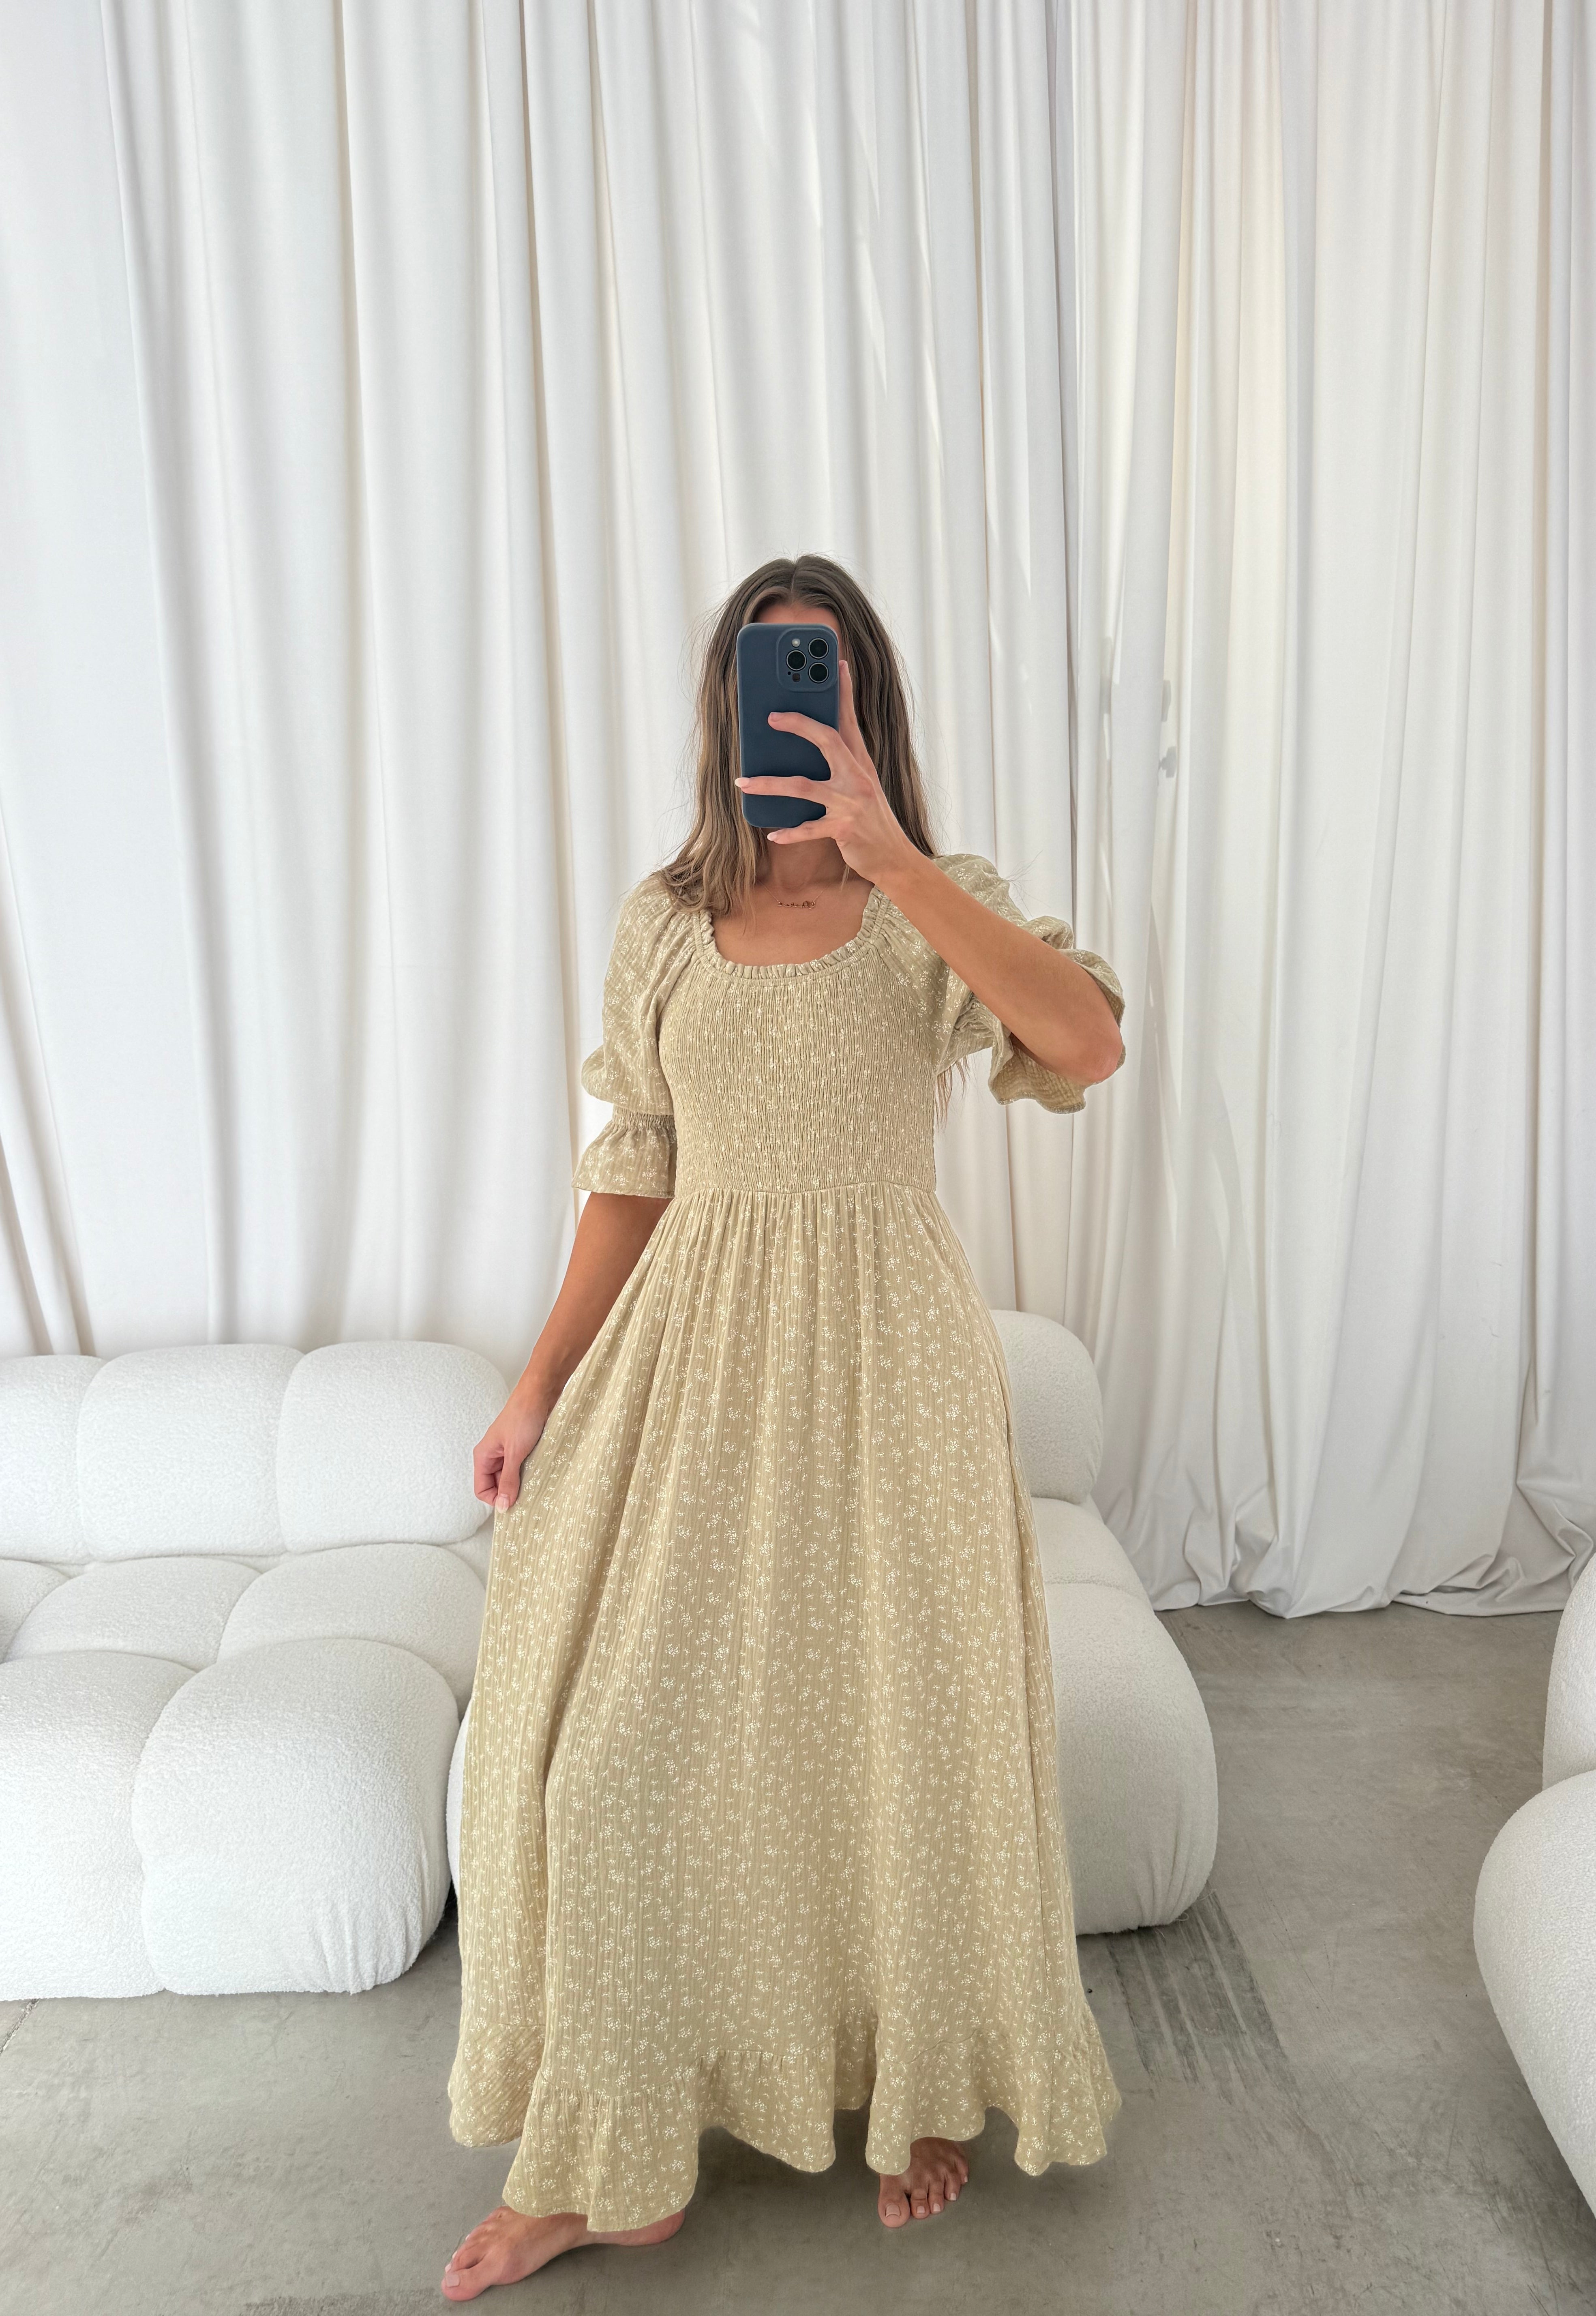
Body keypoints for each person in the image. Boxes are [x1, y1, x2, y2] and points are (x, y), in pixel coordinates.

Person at [441, 554, 1127, 2299]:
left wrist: (898, 862)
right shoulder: (665, 920)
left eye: (819, 676)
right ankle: (618, 2154)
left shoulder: (933, 906)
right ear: (725, 711)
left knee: (901, 1741)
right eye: (765, 677)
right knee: (606, 1772)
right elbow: (634, 1172)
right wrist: (535, 1383)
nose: (790, 707)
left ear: (864, 706)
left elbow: (1085, 1044)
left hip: (891, 1371)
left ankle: (917, 2087)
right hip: (696, 1362)